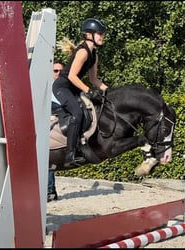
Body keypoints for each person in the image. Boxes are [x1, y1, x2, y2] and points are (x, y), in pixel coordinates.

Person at [53, 18, 108, 167]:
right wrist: (88, 91)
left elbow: (94, 79)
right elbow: (71, 76)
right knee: (77, 113)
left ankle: (82, 144)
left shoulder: (94, 54)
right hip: (62, 87)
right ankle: (70, 155)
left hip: (74, 88)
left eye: (103, 34)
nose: (102, 36)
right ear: (89, 34)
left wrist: (108, 91)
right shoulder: (83, 52)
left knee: (90, 111)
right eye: (99, 33)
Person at [48, 60, 64, 202]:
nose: (58, 73)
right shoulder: (47, 86)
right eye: (55, 71)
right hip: (50, 119)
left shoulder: (66, 86)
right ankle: (50, 190)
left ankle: (50, 191)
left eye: (60, 71)